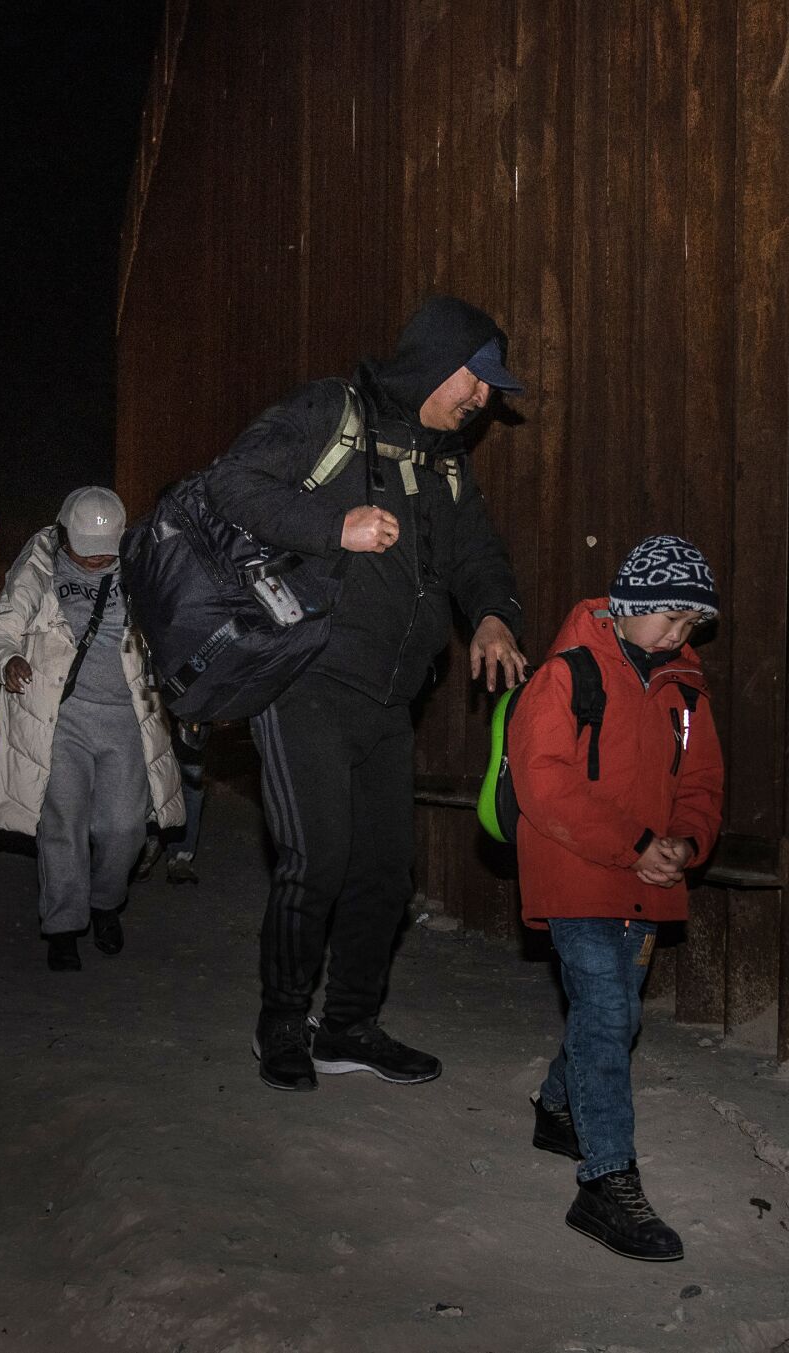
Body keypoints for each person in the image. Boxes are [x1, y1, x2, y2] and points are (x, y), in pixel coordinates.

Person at [209, 294, 529, 1092]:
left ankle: (347, 1025)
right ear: (436, 363)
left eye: (490, 388)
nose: (483, 399)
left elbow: (477, 555)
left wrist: (492, 615)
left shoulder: (448, 461)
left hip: (391, 697)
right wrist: (334, 527)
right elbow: (231, 484)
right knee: (317, 858)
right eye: (477, 380)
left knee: (386, 872)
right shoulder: (330, 410)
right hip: (306, 676)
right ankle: (282, 1020)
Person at [512, 535, 725, 1263]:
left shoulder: (686, 690)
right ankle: (605, 1181)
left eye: (691, 625)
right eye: (670, 618)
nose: (679, 635)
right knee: (605, 1009)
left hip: (648, 882)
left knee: (618, 1010)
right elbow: (544, 783)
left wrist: (686, 845)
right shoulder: (566, 675)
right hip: (576, 873)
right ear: (630, 605)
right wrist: (636, 843)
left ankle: (557, 1106)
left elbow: (702, 787)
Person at [0, 486, 184, 972]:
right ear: (64, 534)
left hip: (127, 718)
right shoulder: (40, 561)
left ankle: (104, 902)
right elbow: (2, 624)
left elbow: (175, 623)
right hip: (62, 718)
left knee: (122, 828)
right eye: (85, 553)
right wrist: (7, 657)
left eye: (104, 554)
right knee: (62, 827)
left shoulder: (141, 560)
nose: (95, 563)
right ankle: (63, 925)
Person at [162, 720, 208, 885]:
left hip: (191, 708)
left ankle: (181, 854)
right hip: (147, 703)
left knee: (191, 782)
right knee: (152, 778)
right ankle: (145, 844)